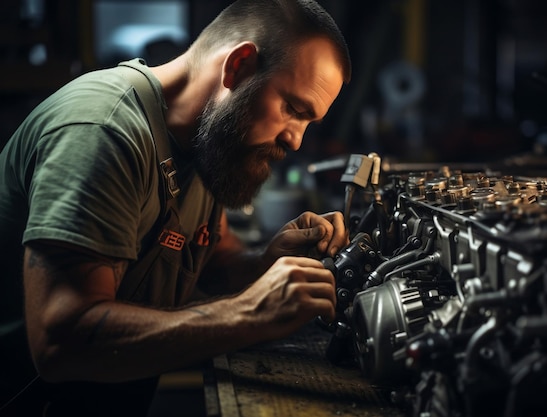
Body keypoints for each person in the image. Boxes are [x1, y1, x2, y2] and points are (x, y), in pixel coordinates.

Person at [0, 0, 352, 415]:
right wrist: (249, 313)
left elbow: (213, 262)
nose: (296, 140)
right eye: (293, 109)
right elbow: (63, 341)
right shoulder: (103, 132)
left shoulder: (207, 144)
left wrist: (267, 263)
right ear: (237, 66)